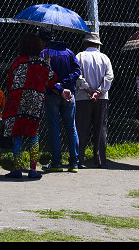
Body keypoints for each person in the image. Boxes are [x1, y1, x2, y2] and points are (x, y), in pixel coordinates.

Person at [2, 32, 65, 179]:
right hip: (35, 101)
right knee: (33, 134)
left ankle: (17, 168)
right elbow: (52, 80)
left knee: (16, 134)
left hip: (17, 100)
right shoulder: (43, 64)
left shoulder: (18, 62)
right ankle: (33, 169)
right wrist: (47, 64)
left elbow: (10, 81)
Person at [39, 30, 82, 173]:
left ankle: (56, 162)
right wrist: (65, 85)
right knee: (71, 128)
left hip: (52, 94)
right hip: (69, 94)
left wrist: (58, 87)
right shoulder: (69, 53)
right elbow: (77, 71)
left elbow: (44, 75)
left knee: (54, 128)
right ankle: (74, 163)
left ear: (42, 40)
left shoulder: (44, 53)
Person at [74, 32, 115, 168]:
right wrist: (99, 91)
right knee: (101, 128)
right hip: (102, 98)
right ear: (98, 44)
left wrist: (88, 89)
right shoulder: (105, 58)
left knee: (81, 127)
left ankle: (79, 159)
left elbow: (77, 75)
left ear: (85, 43)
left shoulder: (79, 56)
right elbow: (109, 77)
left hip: (82, 97)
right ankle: (100, 160)